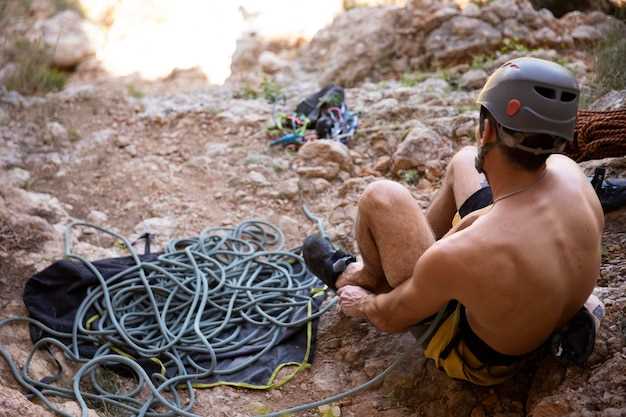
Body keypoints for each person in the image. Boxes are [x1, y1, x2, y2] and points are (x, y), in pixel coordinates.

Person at [303, 57, 605, 385]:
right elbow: (508, 217)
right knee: (463, 162)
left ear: (487, 129)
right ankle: (399, 267)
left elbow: (391, 317)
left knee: (382, 196)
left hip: (481, 356)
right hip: (539, 298)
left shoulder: (463, 254)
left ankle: (363, 276)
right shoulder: (570, 173)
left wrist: (364, 305)